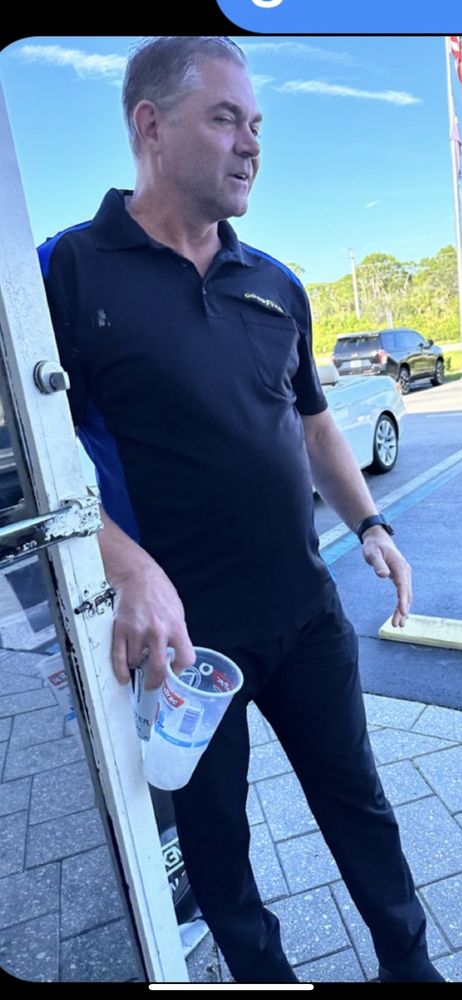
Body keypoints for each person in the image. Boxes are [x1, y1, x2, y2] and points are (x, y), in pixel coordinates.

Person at [38, 36, 444, 984]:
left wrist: (372, 526)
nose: (251, 143)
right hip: (185, 651)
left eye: (255, 123)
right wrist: (125, 564)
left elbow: (314, 424)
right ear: (150, 125)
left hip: (304, 613)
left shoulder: (276, 282)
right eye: (226, 118)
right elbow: (38, 462)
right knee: (217, 843)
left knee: (361, 805)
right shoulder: (70, 272)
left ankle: (409, 964)